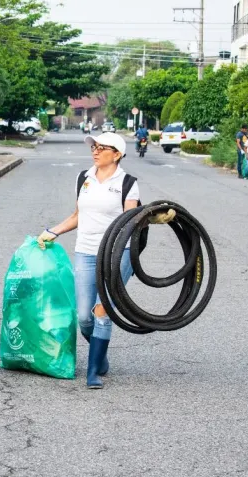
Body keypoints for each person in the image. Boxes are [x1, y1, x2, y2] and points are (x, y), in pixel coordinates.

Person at [35, 131, 168, 389]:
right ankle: (101, 351)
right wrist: (53, 231)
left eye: (101, 147)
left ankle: (93, 371)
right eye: (93, 146)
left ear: (116, 154)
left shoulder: (128, 182)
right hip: (85, 251)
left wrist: (150, 216)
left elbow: (132, 220)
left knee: (102, 310)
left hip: (117, 253)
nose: (95, 150)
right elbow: (77, 215)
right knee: (84, 315)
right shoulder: (83, 178)